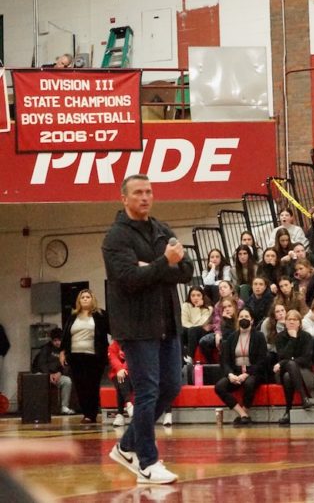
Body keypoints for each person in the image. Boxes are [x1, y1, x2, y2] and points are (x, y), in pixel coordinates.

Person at [103, 174, 193, 484]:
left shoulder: (162, 229)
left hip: (167, 322)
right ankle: (147, 462)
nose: (145, 197)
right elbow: (128, 279)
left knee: (171, 388)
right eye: (138, 192)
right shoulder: (115, 237)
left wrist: (153, 267)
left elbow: (186, 270)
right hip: (136, 325)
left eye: (149, 191)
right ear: (124, 199)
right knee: (146, 392)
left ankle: (126, 446)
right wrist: (164, 264)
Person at [60, 289, 109, 424]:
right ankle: (86, 413)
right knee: (80, 385)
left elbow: (111, 330)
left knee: (92, 385)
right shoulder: (72, 316)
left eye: (88, 297)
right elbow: (65, 336)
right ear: (79, 301)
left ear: (92, 299)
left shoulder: (100, 315)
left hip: (94, 356)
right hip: (75, 356)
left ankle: (92, 414)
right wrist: (62, 352)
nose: (85, 299)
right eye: (83, 297)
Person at [214, 308, 269, 426]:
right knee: (219, 387)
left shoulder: (259, 336)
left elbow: (262, 360)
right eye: (241, 317)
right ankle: (243, 414)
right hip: (235, 372)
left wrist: (247, 373)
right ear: (237, 319)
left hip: (254, 372)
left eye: (247, 317)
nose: (244, 319)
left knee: (249, 383)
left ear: (252, 320)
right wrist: (230, 374)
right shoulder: (231, 337)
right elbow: (225, 360)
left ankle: (244, 413)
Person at [274, 309, 314, 425]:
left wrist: (285, 362)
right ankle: (304, 399)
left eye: (294, 319)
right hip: (283, 372)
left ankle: (288, 411)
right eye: (289, 319)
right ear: (285, 322)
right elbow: (282, 355)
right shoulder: (280, 337)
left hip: (304, 372)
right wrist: (292, 339)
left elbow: (306, 359)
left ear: (299, 323)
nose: (291, 322)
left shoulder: (307, 337)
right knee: (287, 372)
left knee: (288, 374)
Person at [31, 327, 74, 415]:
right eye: (55, 340)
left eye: (59, 340)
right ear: (51, 340)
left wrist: (60, 373)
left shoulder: (66, 351)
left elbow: (67, 366)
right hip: (43, 374)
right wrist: (48, 374)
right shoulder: (45, 348)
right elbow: (41, 364)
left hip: (57, 375)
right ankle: (38, 408)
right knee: (38, 380)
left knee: (67, 381)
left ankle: (64, 407)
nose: (57, 342)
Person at [180, 286, 213, 364]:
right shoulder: (186, 305)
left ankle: (190, 357)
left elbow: (201, 323)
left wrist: (197, 307)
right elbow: (184, 322)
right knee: (181, 330)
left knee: (192, 330)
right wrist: (190, 328)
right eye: (193, 295)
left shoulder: (208, 308)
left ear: (203, 296)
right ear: (189, 296)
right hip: (190, 330)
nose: (195, 298)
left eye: (198, 295)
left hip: (203, 331)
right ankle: (181, 357)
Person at [107, 339, 135, 427]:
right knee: (121, 379)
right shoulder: (113, 345)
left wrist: (124, 369)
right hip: (117, 373)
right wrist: (120, 369)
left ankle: (120, 414)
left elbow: (132, 358)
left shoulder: (132, 343)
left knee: (122, 380)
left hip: (133, 371)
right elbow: (113, 359)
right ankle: (129, 404)